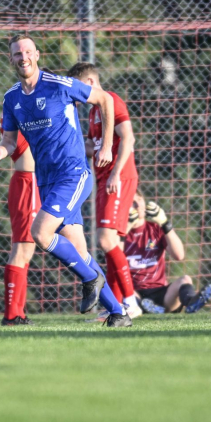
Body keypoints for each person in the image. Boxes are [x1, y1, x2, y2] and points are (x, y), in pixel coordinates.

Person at [0, 35, 131, 327]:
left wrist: (106, 146)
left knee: (40, 233)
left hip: (73, 173)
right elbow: (9, 140)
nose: (23, 57)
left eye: (28, 52)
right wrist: (0, 151)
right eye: (17, 54)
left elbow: (104, 98)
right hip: (47, 181)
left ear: (37, 55)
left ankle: (90, 279)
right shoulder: (11, 98)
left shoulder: (58, 84)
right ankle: (118, 313)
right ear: (11, 59)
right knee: (80, 252)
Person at [67, 63, 143, 319]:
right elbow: (93, 146)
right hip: (104, 179)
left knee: (106, 240)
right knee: (111, 244)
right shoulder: (93, 112)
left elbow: (128, 138)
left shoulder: (111, 101)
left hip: (117, 177)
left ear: (89, 83)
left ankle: (131, 302)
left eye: (77, 87)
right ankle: (117, 305)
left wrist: (115, 173)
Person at [125, 191, 211, 314]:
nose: (138, 205)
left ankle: (191, 302)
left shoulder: (155, 228)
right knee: (119, 288)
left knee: (185, 279)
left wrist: (165, 223)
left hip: (161, 293)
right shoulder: (119, 234)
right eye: (132, 202)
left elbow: (179, 255)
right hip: (134, 294)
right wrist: (125, 228)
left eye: (140, 200)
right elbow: (112, 258)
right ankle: (145, 308)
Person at [0, 117, 39, 326]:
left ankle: (18, 313)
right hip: (28, 182)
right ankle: (12, 315)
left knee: (26, 250)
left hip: (31, 182)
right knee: (21, 249)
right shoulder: (20, 110)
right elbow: (10, 141)